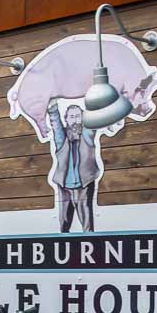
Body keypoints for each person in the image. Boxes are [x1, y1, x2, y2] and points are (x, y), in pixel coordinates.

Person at [47, 99, 99, 233]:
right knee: (64, 223)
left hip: (84, 184)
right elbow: (56, 125)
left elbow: (92, 122)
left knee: (87, 224)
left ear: (83, 118)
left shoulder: (87, 136)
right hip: (64, 186)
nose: (75, 120)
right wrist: (53, 107)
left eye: (78, 116)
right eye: (71, 117)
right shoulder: (62, 139)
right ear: (66, 119)